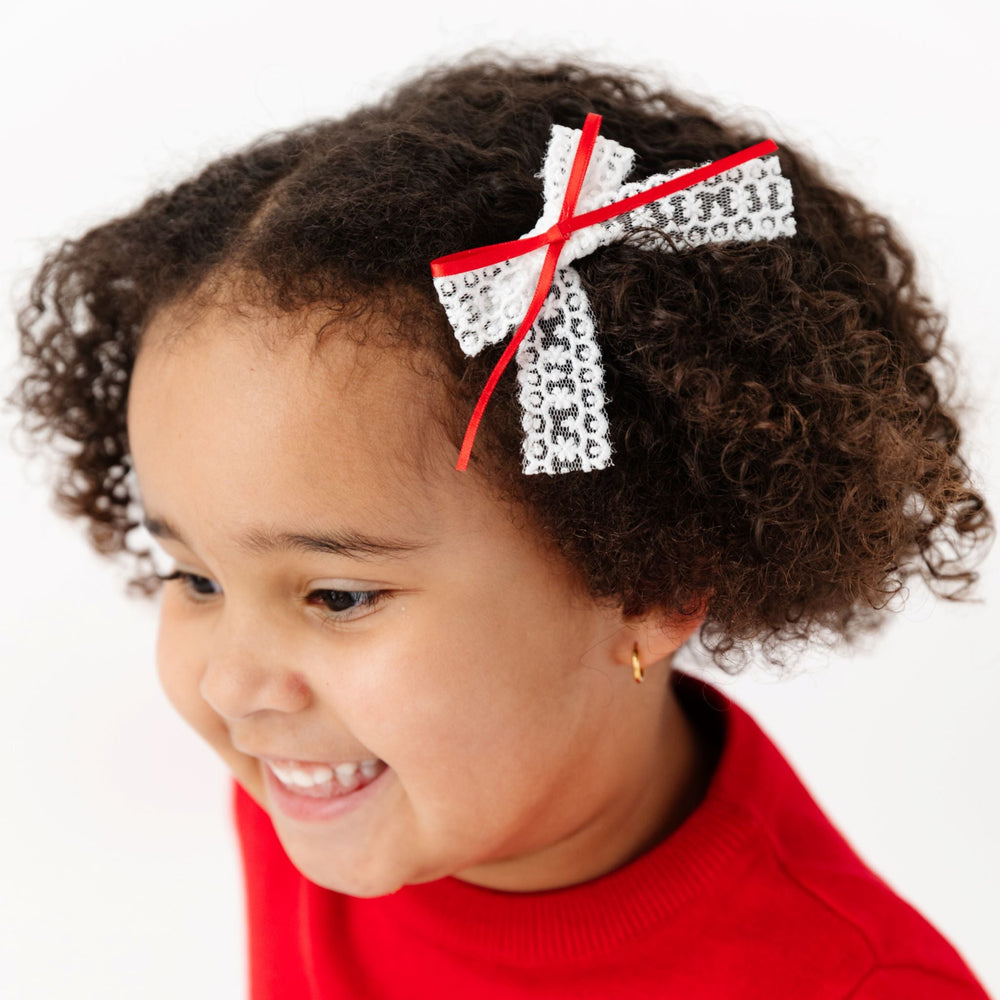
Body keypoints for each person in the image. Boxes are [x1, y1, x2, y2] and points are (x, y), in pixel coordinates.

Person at [8, 56, 994, 998]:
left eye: (339, 595)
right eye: (196, 579)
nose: (235, 685)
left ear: (648, 583)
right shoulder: (323, 794)